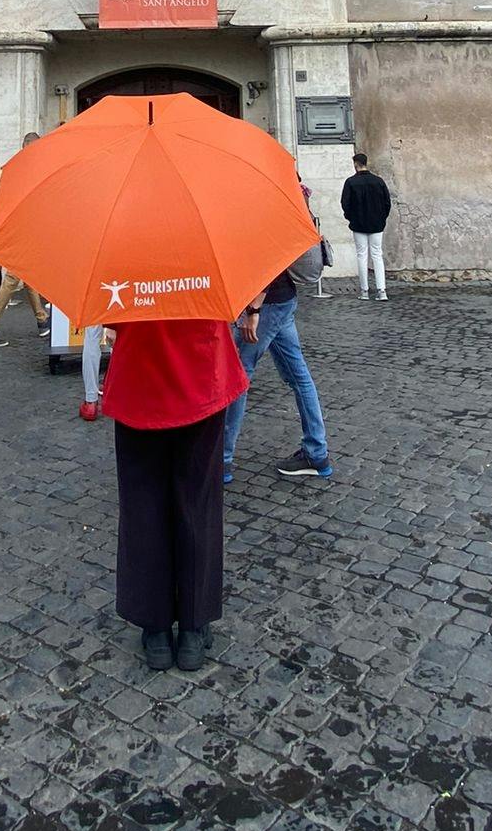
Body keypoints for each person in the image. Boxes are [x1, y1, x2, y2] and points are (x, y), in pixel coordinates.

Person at [100, 310, 249, 673]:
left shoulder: (119, 253)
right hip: (201, 373)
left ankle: (156, 629)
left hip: (140, 377)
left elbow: (111, 317)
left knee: (143, 506)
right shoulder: (208, 252)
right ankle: (194, 628)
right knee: (198, 505)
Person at [223, 265, 334, 483]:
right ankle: (316, 454)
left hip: (267, 304)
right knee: (298, 377)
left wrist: (254, 310)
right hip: (283, 300)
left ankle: (220, 460)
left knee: (237, 374)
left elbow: (268, 262)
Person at [0, 140, 50, 347]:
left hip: (22, 230)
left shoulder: (20, 169)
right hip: (23, 231)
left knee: (26, 276)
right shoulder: (25, 170)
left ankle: (42, 319)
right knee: (12, 278)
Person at [340, 152, 392, 301]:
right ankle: (382, 291)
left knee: (361, 255)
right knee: (377, 255)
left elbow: (345, 204)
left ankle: (364, 291)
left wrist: (350, 218)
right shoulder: (379, 181)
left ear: (356, 164)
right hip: (376, 223)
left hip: (358, 224)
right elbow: (387, 203)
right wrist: (382, 218)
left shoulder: (350, 182)